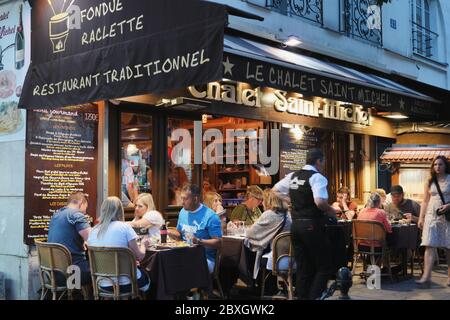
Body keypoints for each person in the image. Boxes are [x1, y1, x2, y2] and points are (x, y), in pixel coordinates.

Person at [273, 148, 337, 300]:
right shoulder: (317, 177)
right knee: (324, 266)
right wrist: (331, 210)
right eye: (323, 161)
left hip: (296, 226)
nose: (323, 165)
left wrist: (291, 201)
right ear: (318, 161)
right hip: (312, 225)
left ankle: (301, 297)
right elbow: (320, 202)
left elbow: (275, 190)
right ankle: (314, 297)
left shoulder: (293, 176)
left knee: (303, 266)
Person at [87, 197, 150, 293]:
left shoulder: (93, 231)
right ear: (120, 211)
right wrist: (144, 245)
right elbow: (140, 256)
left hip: (102, 284)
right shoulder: (124, 227)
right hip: (128, 283)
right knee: (150, 276)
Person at [168, 184, 222, 273]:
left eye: (185, 199)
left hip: (206, 258)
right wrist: (168, 232)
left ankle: (183, 286)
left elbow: (219, 243)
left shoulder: (211, 216)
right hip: (184, 254)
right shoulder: (183, 212)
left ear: (195, 199)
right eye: (182, 198)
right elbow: (179, 234)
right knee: (167, 263)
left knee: (179, 268)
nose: (182, 202)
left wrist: (200, 241)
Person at [416, 155, 450, 288]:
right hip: (432, 215)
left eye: (440, 164)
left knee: (448, 247)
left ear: (445, 166)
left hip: (447, 217)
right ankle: (426, 276)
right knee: (429, 244)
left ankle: (449, 275)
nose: (437, 167)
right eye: (435, 165)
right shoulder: (430, 181)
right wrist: (421, 217)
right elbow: (425, 200)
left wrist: (449, 205)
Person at [245, 189, 292, 280]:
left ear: (269, 201)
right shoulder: (287, 214)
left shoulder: (269, 214)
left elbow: (250, 233)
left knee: (249, 249)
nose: (262, 203)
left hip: (276, 256)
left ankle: (253, 283)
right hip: (289, 254)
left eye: (263, 200)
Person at [47, 192, 92, 286]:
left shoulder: (56, 215)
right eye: (85, 209)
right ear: (80, 203)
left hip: (53, 271)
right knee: (104, 270)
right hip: (73, 271)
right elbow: (93, 239)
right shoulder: (76, 215)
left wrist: (82, 240)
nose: (85, 213)